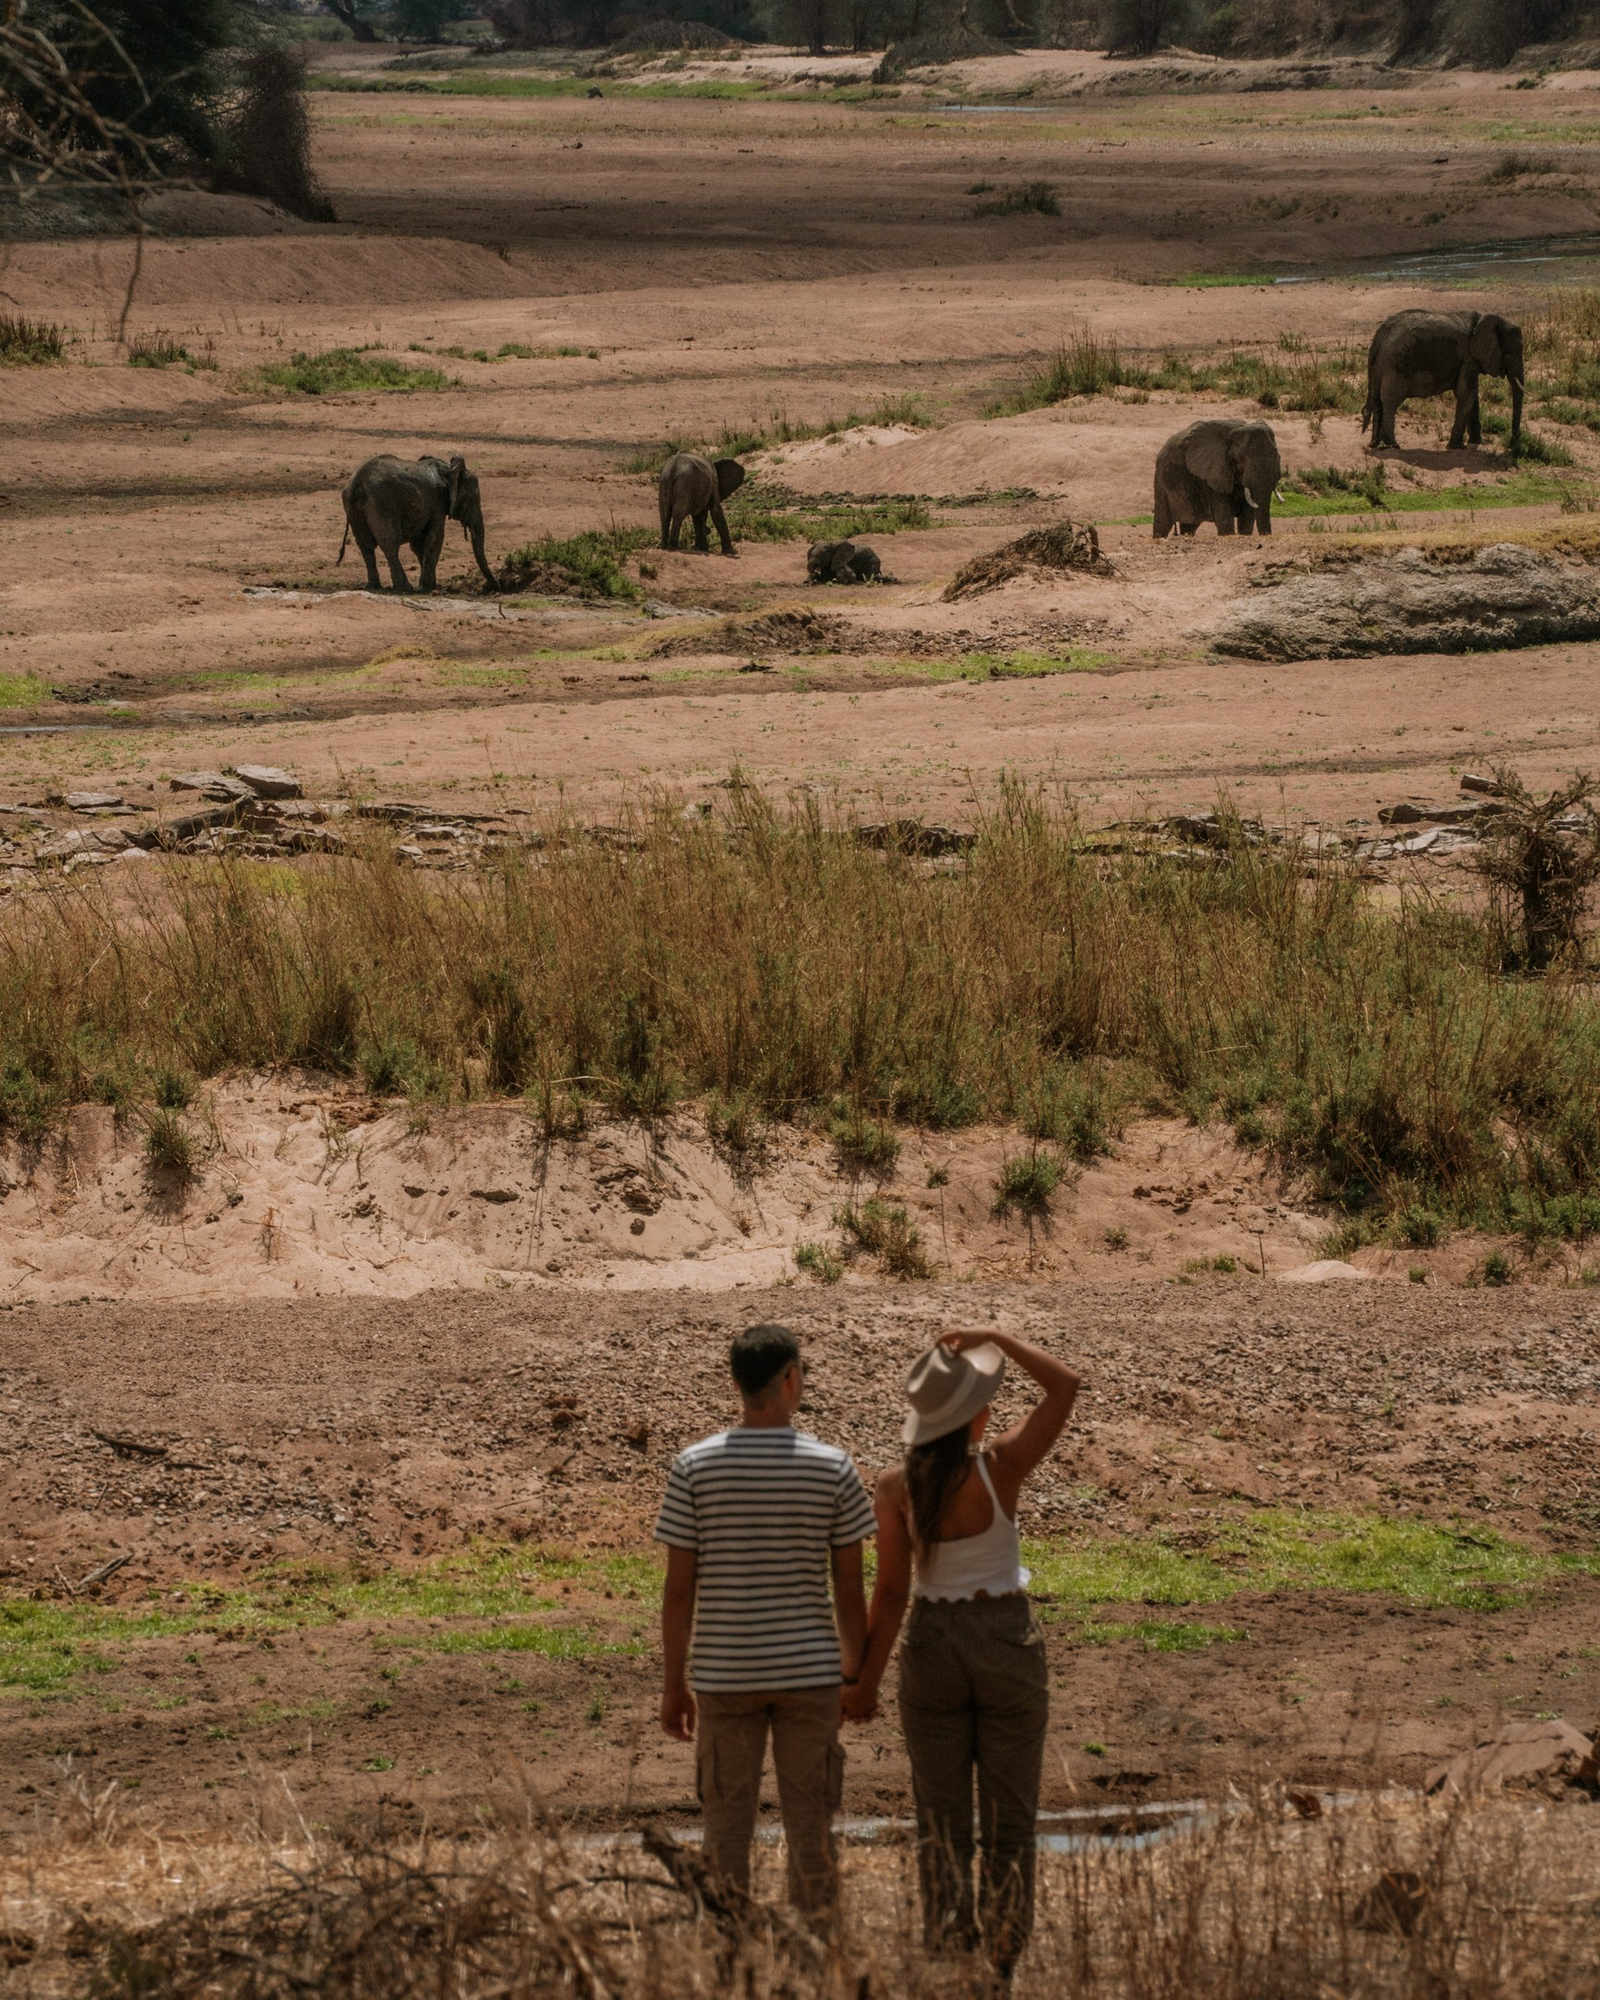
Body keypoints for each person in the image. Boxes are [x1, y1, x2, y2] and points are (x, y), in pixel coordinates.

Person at [843, 1329, 1082, 1980]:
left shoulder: (895, 1487)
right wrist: (999, 1336)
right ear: (974, 1414)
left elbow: (891, 1592)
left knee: (941, 1823)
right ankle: (1000, 1963)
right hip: (1004, 1638)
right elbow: (1066, 1386)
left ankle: (951, 1957)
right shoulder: (1001, 1464)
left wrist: (863, 1684)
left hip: (933, 1643)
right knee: (1010, 1821)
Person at [655, 1322, 874, 1919]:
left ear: (736, 1382)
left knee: (725, 1835)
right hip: (809, 1676)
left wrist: (675, 1683)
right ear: (791, 1379)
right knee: (813, 1835)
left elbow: (680, 1592)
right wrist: (856, 1674)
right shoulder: (833, 1467)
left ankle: (730, 1965)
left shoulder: (693, 1467)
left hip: (726, 1677)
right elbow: (848, 1590)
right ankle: (815, 1964)